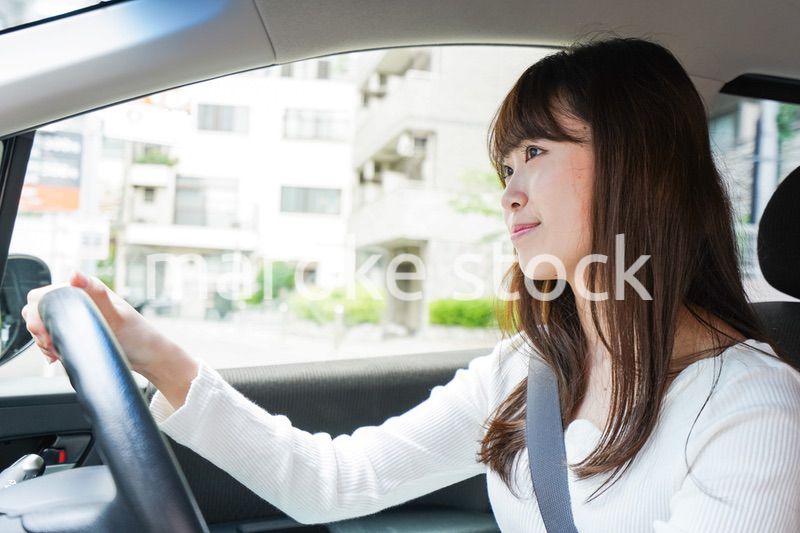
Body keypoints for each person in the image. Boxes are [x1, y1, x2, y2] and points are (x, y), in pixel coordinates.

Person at [21, 36, 800, 531]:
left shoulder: (750, 412)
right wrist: (147, 346)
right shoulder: (528, 372)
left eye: (536, 152)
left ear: (640, 164)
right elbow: (333, 480)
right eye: (505, 164)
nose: (509, 190)